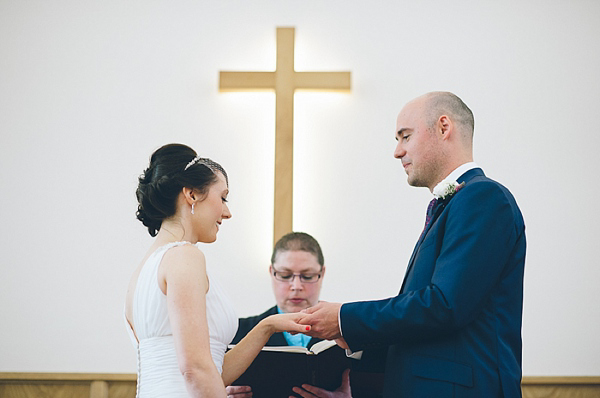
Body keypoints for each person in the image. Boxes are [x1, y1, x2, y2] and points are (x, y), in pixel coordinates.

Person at [299, 92, 526, 398]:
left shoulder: (483, 197)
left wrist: (344, 319)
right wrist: (353, 344)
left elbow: (444, 306)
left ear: (444, 127)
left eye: (405, 136)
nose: (397, 151)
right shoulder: (455, 203)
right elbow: (426, 329)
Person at [124, 143, 309, 397]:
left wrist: (267, 326)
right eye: (222, 197)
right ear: (191, 195)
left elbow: (211, 371)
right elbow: (196, 369)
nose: (227, 212)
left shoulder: (142, 271)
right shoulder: (185, 256)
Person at [225, 232, 352, 398]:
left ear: (322, 273)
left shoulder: (347, 330)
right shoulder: (237, 332)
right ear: (272, 272)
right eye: (285, 275)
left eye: (308, 276)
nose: (296, 286)